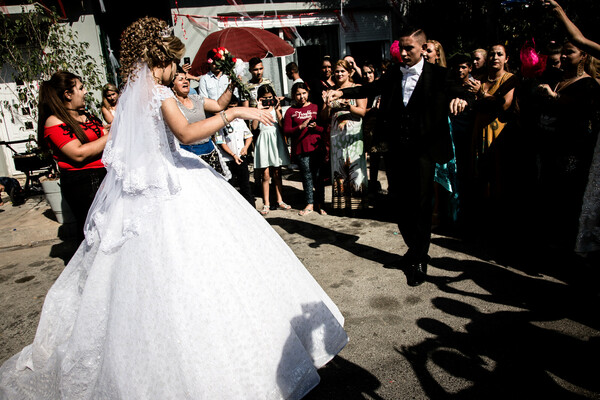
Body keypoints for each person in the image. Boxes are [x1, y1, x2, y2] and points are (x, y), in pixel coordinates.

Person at [0, 16, 348, 399]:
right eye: (174, 63)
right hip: (172, 183)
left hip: (150, 184)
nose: (178, 71)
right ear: (160, 59)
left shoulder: (132, 92)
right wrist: (234, 113)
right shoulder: (157, 92)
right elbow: (185, 133)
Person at [328, 28, 454, 286]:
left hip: (424, 151)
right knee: (400, 202)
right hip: (397, 149)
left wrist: (463, 101)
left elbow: (461, 92)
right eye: (402, 48)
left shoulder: (440, 75)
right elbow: (372, 87)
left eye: (409, 48)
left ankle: (420, 258)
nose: (404, 53)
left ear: (422, 48)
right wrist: (342, 92)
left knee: (420, 204)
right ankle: (412, 249)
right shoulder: (395, 73)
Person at [536, 40, 600, 251]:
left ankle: (565, 245)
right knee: (548, 194)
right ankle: (548, 240)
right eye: (562, 53)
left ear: (583, 56)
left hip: (571, 150)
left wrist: (556, 97)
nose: (563, 56)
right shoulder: (556, 78)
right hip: (548, 146)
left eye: (569, 52)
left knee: (566, 197)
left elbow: (582, 109)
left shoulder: (588, 84)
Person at [37, 71, 108, 241]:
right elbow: (78, 153)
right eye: (81, 88)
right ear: (68, 94)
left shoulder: (86, 116)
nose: (85, 92)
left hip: (103, 176)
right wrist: (111, 136)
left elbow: (100, 135)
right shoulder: (55, 121)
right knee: (93, 232)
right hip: (83, 183)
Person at [322, 59, 368, 214]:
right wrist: (327, 105)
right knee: (339, 170)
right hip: (337, 137)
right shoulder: (331, 91)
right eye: (337, 71)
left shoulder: (358, 88)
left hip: (354, 136)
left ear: (350, 72)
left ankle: (357, 205)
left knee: (355, 169)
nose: (339, 74)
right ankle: (342, 205)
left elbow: (362, 112)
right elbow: (323, 117)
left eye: (342, 71)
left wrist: (348, 106)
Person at [171, 66, 230, 177]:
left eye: (186, 79)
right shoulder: (171, 104)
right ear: (173, 86)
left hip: (208, 149)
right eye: (181, 79)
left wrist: (230, 87)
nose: (185, 82)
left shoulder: (197, 98)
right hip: (187, 153)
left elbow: (219, 105)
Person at [283, 82, 327, 216]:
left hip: (317, 147)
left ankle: (321, 203)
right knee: (307, 176)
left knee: (319, 177)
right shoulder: (290, 111)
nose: (301, 97)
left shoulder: (315, 107)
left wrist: (316, 128)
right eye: (298, 94)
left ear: (307, 93)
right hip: (301, 149)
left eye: (304, 93)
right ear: (293, 95)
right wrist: (300, 127)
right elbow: (286, 131)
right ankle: (309, 203)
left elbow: (324, 127)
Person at [252, 84, 291, 215]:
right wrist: (258, 110)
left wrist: (278, 109)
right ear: (259, 99)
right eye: (264, 98)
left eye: (270, 98)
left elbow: (281, 124)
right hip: (263, 141)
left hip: (275, 140)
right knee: (265, 174)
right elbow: (254, 127)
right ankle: (266, 203)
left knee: (277, 172)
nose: (267, 101)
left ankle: (280, 200)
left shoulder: (275, 109)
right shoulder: (258, 110)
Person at [215, 95, 254, 205]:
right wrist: (232, 155)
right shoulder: (220, 121)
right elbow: (220, 142)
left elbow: (249, 136)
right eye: (230, 107)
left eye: (234, 107)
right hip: (228, 160)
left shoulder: (240, 121)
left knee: (245, 186)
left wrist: (245, 148)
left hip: (241, 158)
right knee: (230, 187)